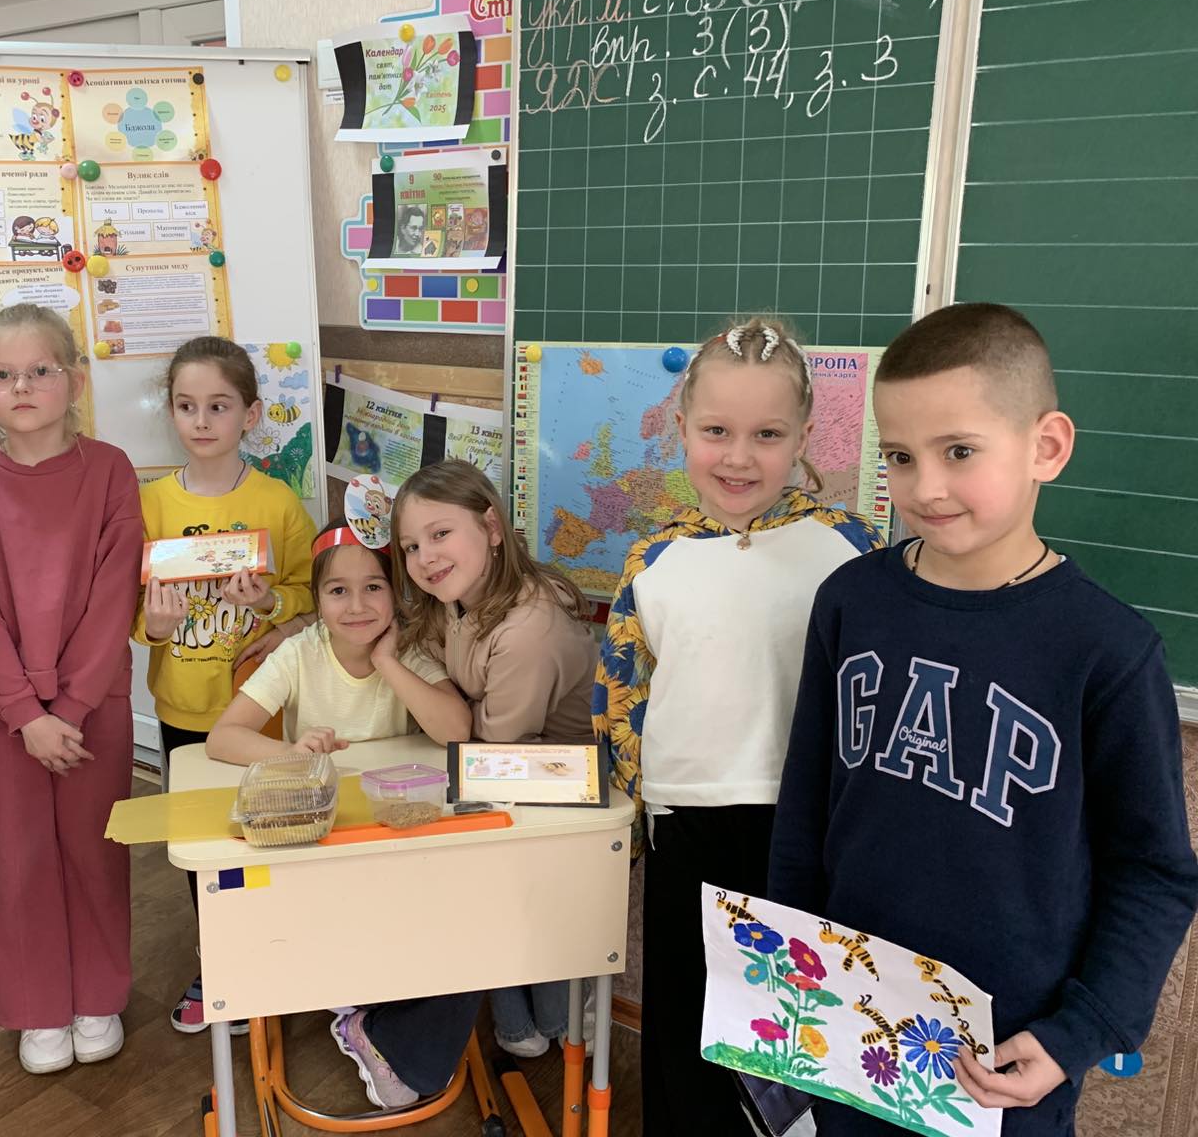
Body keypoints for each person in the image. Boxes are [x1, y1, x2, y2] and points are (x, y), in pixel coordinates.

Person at [769, 303, 1198, 1135]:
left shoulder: (1107, 650)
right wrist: (793, 957)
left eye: (959, 451)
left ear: (1047, 447)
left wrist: (1079, 1033)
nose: (925, 487)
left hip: (1007, 1054)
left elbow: (1153, 871)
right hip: (852, 1019)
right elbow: (807, 801)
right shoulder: (852, 600)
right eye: (900, 456)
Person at [594, 319, 883, 1132]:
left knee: (797, 1040)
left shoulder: (852, 551)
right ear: (682, 429)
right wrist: (628, 823)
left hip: (810, 829)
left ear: (803, 438)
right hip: (687, 826)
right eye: (716, 431)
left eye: (767, 435)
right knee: (687, 1032)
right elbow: (621, 699)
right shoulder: (653, 559)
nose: (738, 457)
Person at [330, 459, 598, 1107]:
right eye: (411, 546)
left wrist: (427, 696)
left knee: (452, 871)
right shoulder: (458, 599)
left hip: (562, 799)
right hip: (514, 782)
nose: (424, 558)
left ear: (492, 528)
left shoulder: (529, 628)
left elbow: (488, 754)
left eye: (440, 534)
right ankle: (518, 1024)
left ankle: (399, 1043)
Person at [0, 304, 142, 1076]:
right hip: (7, 717)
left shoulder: (111, 470)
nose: (22, 386)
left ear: (76, 381)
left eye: (40, 370)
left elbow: (114, 597)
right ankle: (37, 1008)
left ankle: (99, 994)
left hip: (95, 706)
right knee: (19, 860)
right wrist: (26, 712)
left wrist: (69, 706)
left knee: (95, 851)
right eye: (3, 375)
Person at [135, 335, 315, 1034]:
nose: (202, 420)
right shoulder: (149, 504)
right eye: (187, 406)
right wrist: (153, 623)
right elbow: (131, 613)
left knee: (267, 830)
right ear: (171, 412)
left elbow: (311, 596)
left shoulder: (278, 502)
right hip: (183, 709)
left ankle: (272, 953)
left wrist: (271, 603)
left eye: (219, 405)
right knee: (200, 845)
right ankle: (218, 960)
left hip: (263, 710)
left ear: (251, 414)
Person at [207, 516, 467, 764]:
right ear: (318, 601)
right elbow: (222, 738)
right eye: (338, 590)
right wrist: (290, 752)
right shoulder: (297, 654)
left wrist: (385, 662)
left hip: (392, 789)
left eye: (373, 587)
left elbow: (457, 732)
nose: (357, 607)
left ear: (395, 593)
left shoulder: (408, 649)